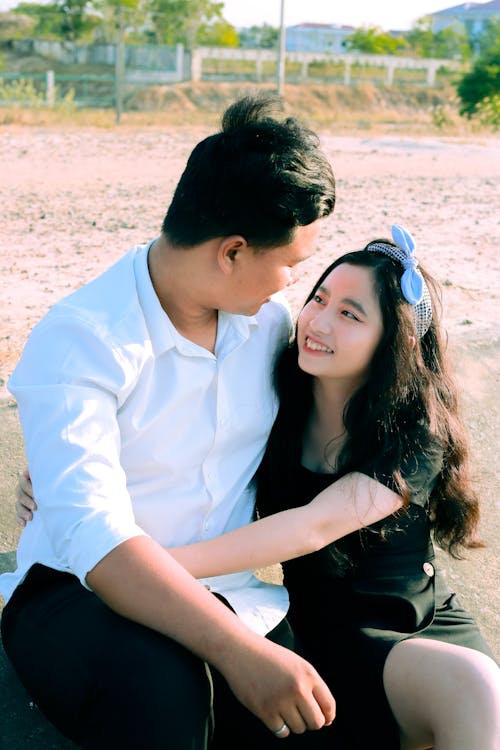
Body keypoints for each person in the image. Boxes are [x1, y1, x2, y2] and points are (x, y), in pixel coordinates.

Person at [16, 225, 500, 748]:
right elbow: (184, 438)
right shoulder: (281, 388)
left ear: (398, 340)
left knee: (478, 687)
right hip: (335, 635)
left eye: (350, 314)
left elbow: (310, 527)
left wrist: (133, 570)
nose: (317, 321)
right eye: (319, 297)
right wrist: (58, 472)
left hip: (421, 622)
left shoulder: (413, 430)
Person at [0, 94, 338, 749]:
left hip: (229, 591)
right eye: (291, 262)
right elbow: (95, 541)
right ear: (232, 252)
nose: (293, 281)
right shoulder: (84, 338)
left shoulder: (269, 327)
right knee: (163, 695)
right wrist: (240, 655)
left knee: (316, 713)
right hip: (77, 595)